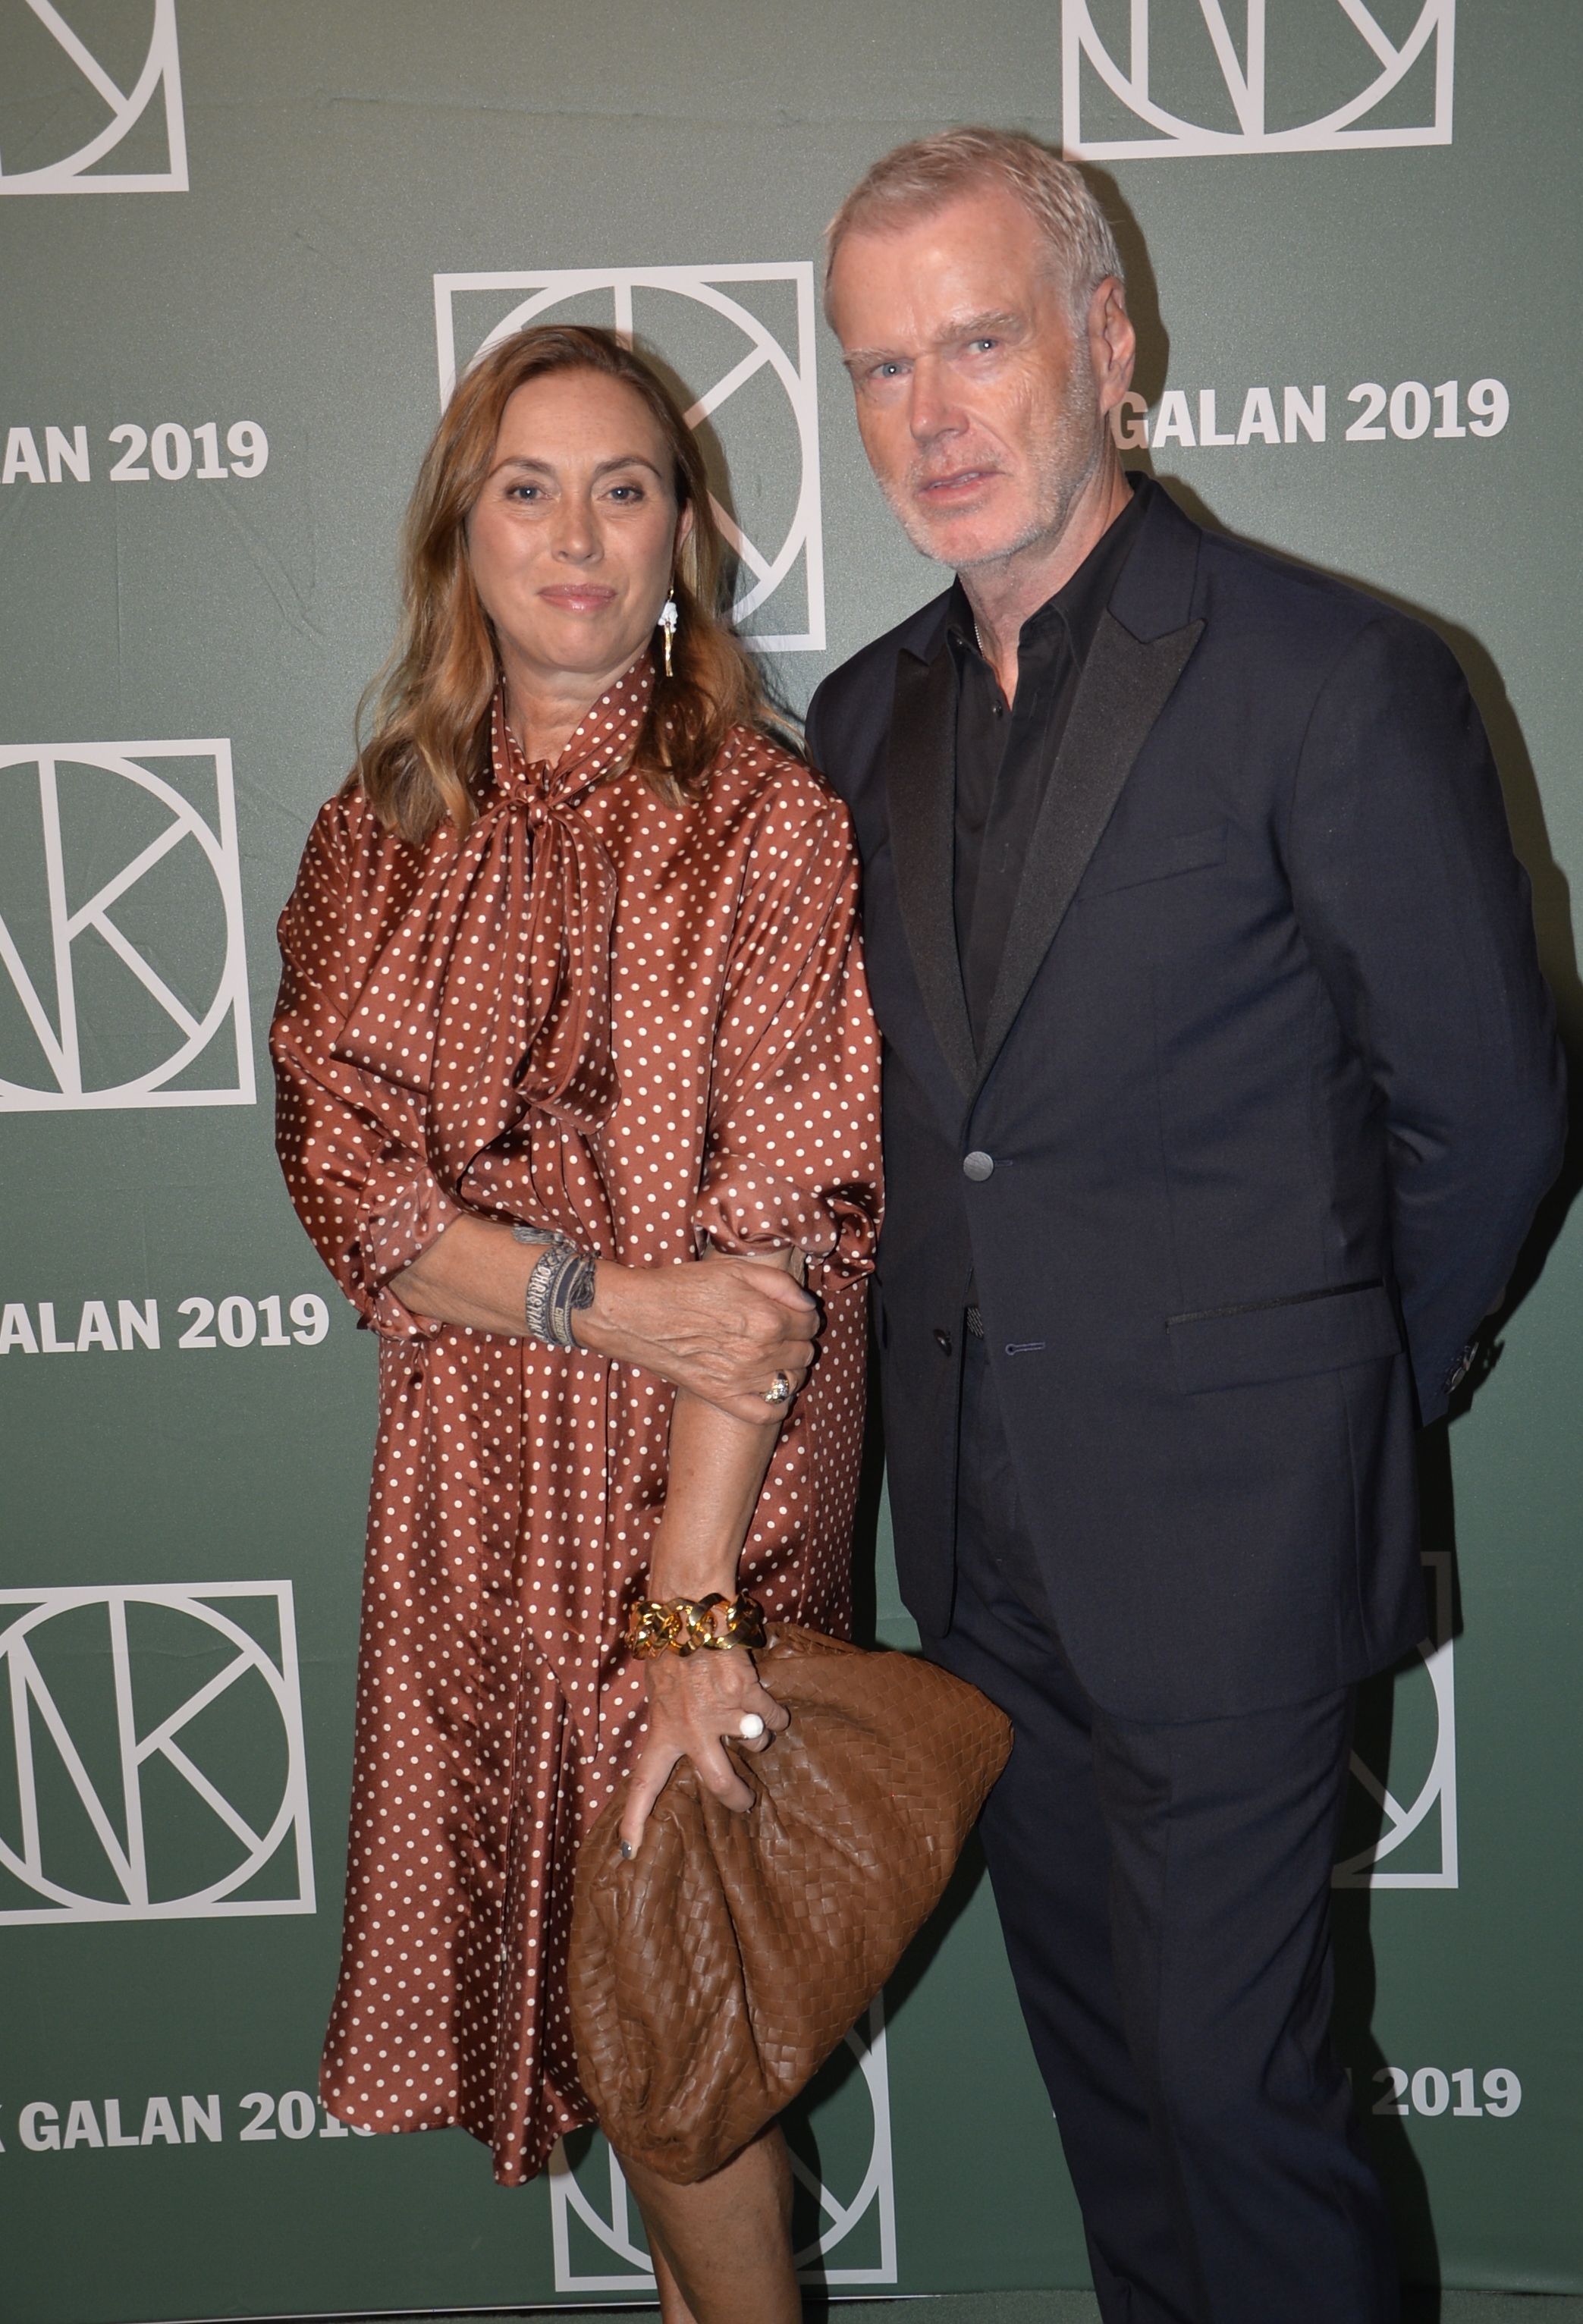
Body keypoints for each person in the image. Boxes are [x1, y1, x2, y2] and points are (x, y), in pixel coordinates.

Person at [808, 127, 1565, 2324]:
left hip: (1240, 1548)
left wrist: (1314, 1401)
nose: (931, 415)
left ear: (1109, 344)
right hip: (980, 1558)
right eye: (880, 368)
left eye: (978, 343)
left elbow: (1493, 1117)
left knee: (1243, 2099)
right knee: (1117, 2103)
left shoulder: (1331, 675)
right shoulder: (859, 719)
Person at [271, 322, 881, 2324]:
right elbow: (350, 1184)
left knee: (683, 2031)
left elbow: (778, 1256)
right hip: (473, 1500)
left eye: (625, 491)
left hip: (712, 1505)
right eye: (526, 491)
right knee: (598, 2018)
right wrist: (611, 1300)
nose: (576, 538)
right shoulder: (375, 837)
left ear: (682, 538)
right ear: (460, 537)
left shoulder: (767, 823)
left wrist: (695, 1612)